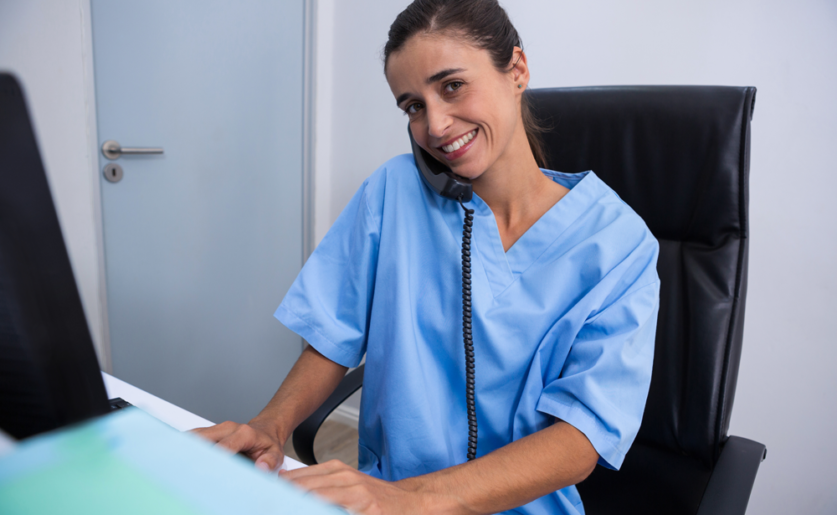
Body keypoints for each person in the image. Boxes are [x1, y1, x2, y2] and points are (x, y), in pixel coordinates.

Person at [195, 1, 660, 513]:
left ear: (517, 71)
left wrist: (406, 499)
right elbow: (332, 337)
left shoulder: (617, 244)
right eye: (413, 106)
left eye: (452, 86)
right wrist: (271, 425)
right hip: (383, 499)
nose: (435, 125)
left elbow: (580, 440)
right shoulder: (392, 191)